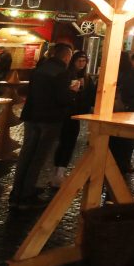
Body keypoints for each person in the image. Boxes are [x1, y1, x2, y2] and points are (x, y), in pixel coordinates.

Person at [9, 43, 75, 210]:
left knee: (26, 154)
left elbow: (29, 91)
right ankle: (26, 195)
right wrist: (73, 92)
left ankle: (17, 193)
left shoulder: (40, 69)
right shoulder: (62, 73)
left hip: (32, 116)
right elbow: (62, 98)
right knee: (38, 156)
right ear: (66, 57)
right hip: (50, 119)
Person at [51, 50, 95, 186]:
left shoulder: (87, 78)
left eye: (84, 61)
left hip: (77, 113)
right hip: (66, 113)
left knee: (69, 141)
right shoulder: (68, 74)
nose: (81, 64)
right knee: (65, 141)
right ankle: (58, 173)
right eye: (79, 61)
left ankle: (60, 171)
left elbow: (90, 95)